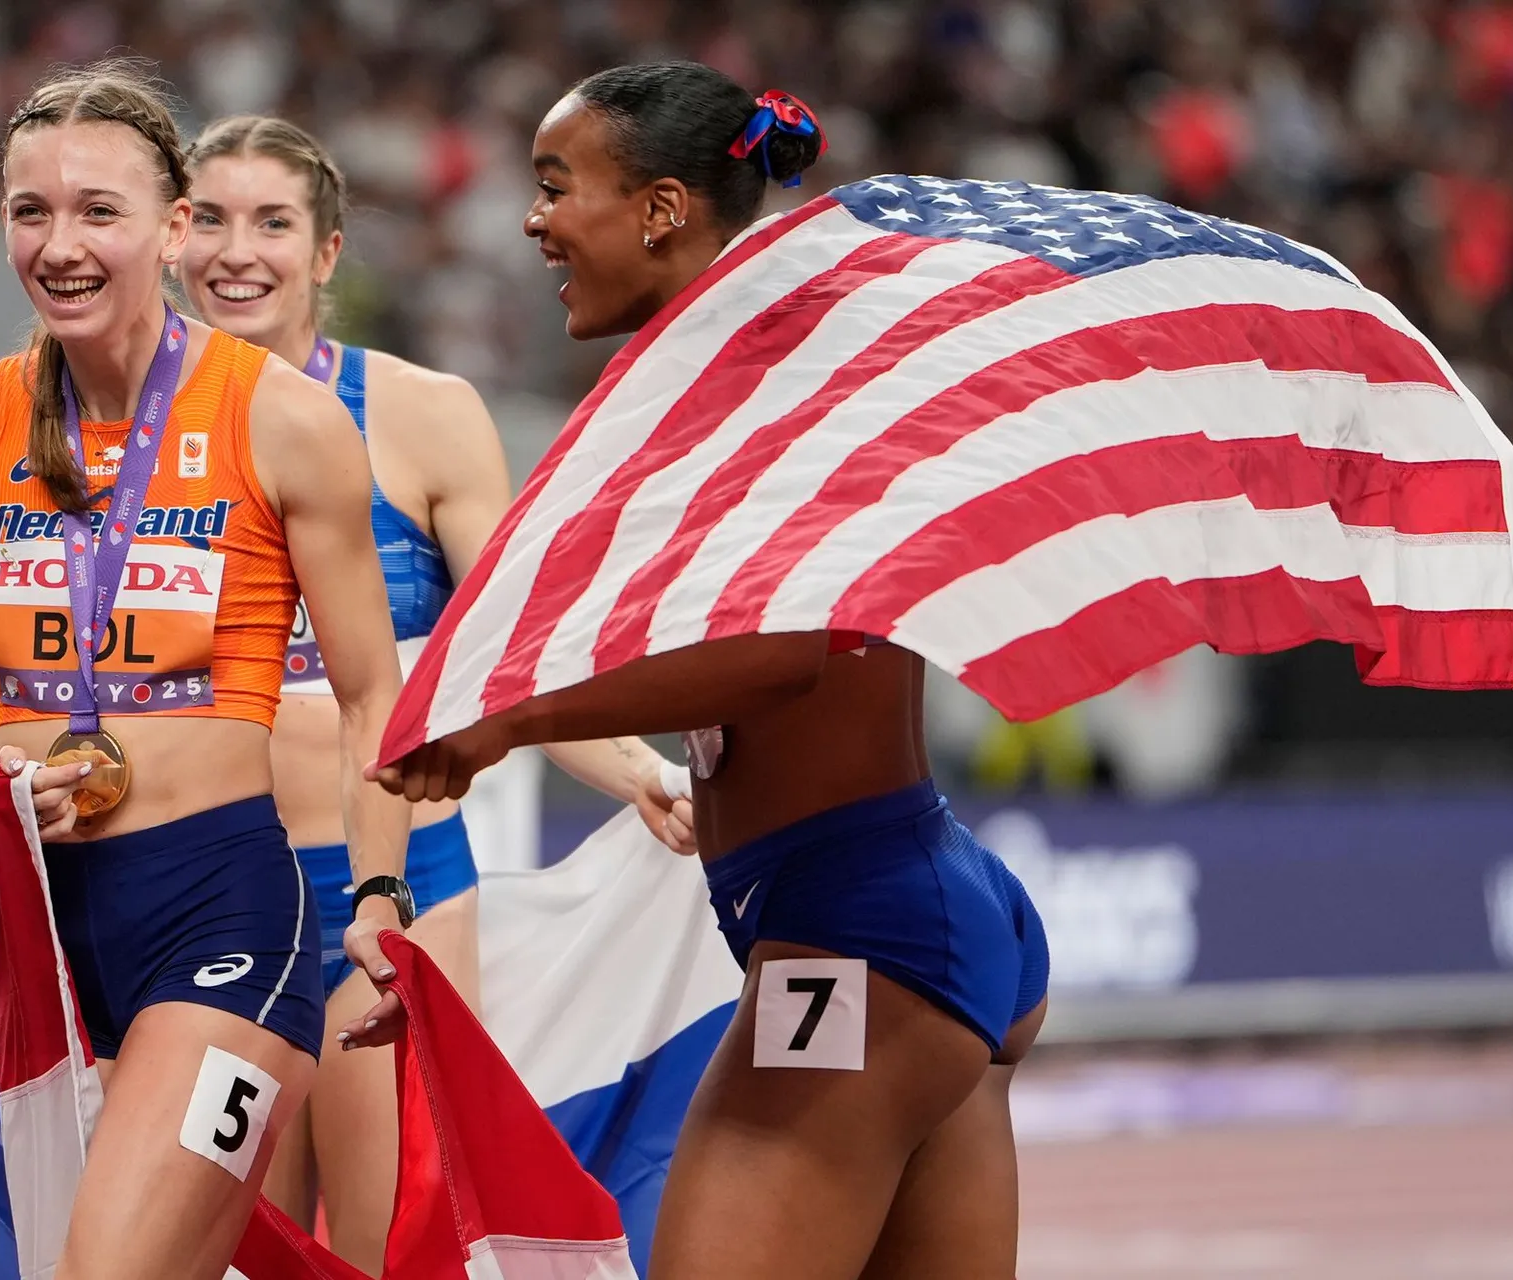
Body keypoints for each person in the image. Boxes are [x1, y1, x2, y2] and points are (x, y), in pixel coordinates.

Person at [0, 107, 694, 1274]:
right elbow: (22, 698)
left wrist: (621, 774)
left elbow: (479, 661)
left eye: (270, 222)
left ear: (316, 250)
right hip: (65, 914)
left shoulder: (359, 417)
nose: (239, 251)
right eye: (32, 210)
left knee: (375, 1248)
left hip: (319, 890)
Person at [371, 63, 1049, 1280]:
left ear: (662, 210)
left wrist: (508, 718)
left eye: (556, 186)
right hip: (902, 913)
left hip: (857, 937)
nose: (532, 220)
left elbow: (784, 654)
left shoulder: (773, 376)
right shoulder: (745, 365)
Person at [0, 61, 411, 1280]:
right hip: (41, 931)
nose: (60, 245)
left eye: (98, 211)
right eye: (32, 211)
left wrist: (380, 892)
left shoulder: (281, 418)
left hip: (223, 919)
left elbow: (372, 694)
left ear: (173, 229)